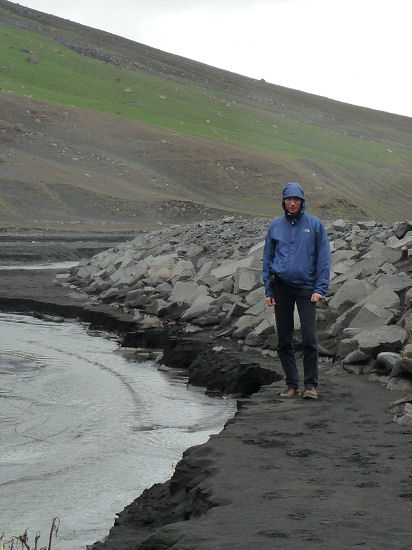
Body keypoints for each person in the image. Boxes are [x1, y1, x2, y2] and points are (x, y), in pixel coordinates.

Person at [262, 182, 330, 399]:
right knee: (284, 339)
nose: (292, 203)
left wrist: (320, 288)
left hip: (306, 288)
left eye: (296, 199)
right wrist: (268, 290)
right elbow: (267, 258)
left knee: (309, 338)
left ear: (302, 201)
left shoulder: (315, 225)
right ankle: (292, 385)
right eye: (288, 199)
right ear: (283, 201)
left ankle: (310, 386)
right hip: (281, 287)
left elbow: (324, 259)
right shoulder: (275, 226)